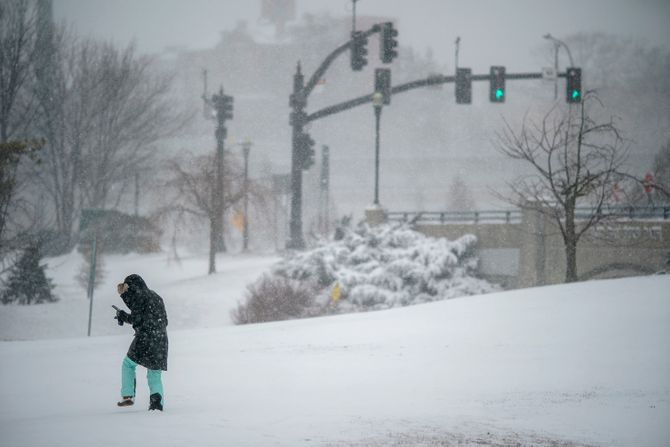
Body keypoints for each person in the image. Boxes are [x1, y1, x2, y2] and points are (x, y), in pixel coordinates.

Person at [114, 274, 168, 411]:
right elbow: (165, 321)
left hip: (145, 338)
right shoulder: (156, 296)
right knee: (154, 372)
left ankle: (127, 396)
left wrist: (122, 315)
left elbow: (135, 319)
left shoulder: (139, 296)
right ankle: (156, 403)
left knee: (128, 364)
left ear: (131, 287)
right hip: (161, 339)